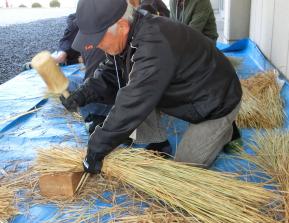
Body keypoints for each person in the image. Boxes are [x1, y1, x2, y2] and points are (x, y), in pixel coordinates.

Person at [61, 0, 242, 174]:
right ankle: (158, 142)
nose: (97, 45)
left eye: (99, 39)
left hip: (217, 100)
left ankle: (226, 130)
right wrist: (81, 95)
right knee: (136, 89)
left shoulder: (154, 45)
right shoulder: (132, 31)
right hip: (188, 88)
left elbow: (132, 103)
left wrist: (96, 149)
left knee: (184, 170)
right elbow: (109, 72)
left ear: (122, 26)